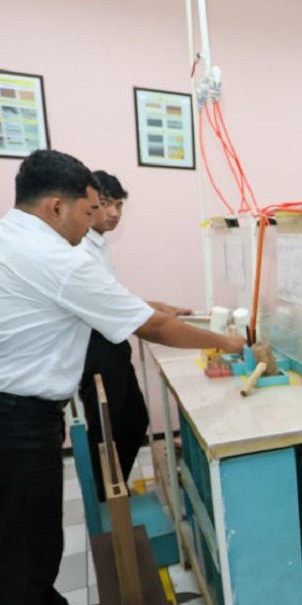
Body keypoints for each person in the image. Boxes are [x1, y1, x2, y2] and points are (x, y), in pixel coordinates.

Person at [0, 149, 245, 605]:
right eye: (88, 210)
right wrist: (228, 342)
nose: (93, 222)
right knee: (25, 552)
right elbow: (154, 327)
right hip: (14, 424)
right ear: (57, 206)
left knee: (20, 539)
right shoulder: (60, 259)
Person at [78, 170, 191, 500]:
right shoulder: (81, 250)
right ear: (86, 205)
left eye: (118, 205)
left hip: (112, 345)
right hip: (95, 349)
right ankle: (108, 497)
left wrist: (160, 306)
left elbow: (115, 298)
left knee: (135, 419)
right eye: (104, 205)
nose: (113, 213)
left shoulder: (97, 245)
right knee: (108, 430)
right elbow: (118, 311)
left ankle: (115, 490)